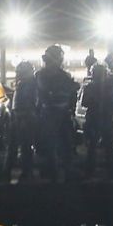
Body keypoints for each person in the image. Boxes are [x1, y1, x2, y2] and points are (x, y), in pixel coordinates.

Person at [34, 45, 79, 182]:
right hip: (52, 114)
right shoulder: (47, 76)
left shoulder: (55, 75)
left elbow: (72, 92)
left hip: (56, 114)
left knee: (62, 145)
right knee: (55, 146)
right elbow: (46, 93)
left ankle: (58, 173)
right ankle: (55, 173)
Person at [3, 59, 38, 182]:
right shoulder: (25, 83)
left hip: (24, 118)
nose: (17, 74)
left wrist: (23, 117)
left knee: (23, 147)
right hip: (20, 118)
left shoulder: (29, 84)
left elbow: (27, 103)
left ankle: (23, 172)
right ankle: (14, 171)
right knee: (18, 147)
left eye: (19, 72)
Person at [78, 62, 113, 179]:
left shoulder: (89, 87)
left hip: (93, 117)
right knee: (109, 145)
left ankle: (90, 170)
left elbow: (84, 103)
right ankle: (111, 170)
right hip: (107, 116)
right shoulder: (110, 87)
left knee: (92, 145)